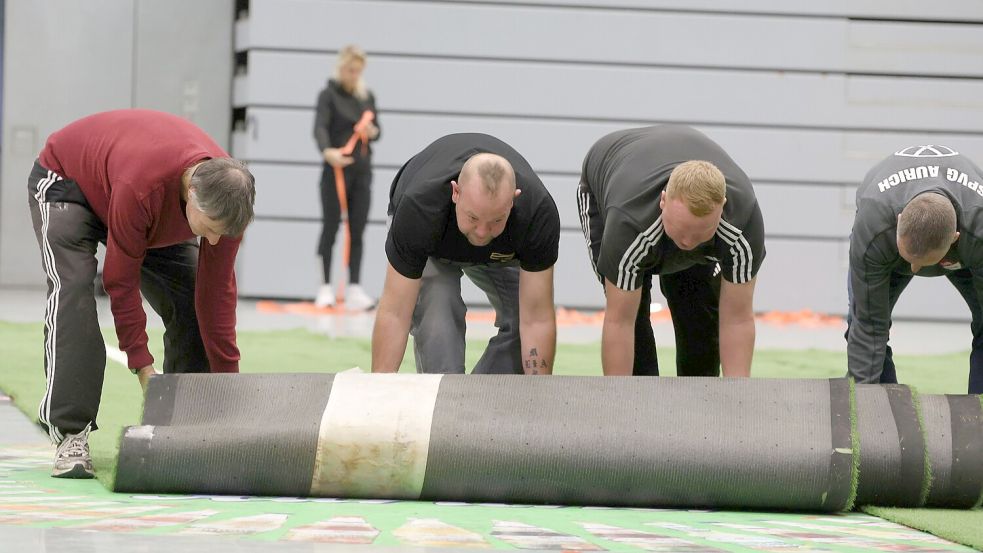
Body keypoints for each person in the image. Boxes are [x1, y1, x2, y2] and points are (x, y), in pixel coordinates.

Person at [27, 109, 256, 479]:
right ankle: (71, 432)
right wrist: (143, 366)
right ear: (193, 194)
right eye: (210, 229)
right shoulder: (144, 185)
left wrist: (227, 389)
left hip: (138, 204)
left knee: (191, 294)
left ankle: (188, 425)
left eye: (223, 234)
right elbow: (120, 280)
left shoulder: (227, 212)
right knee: (74, 292)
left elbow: (215, 297)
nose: (213, 241)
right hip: (69, 184)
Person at [578, 125, 765, 377]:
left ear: (722, 207)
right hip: (610, 176)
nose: (687, 242)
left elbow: (738, 319)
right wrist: (618, 401)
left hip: (668, 171)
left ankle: (701, 400)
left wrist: (737, 400)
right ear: (663, 201)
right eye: (681, 230)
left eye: (699, 233)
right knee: (634, 318)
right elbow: (619, 322)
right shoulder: (629, 224)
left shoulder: (742, 222)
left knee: (698, 309)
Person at [371, 133, 560, 375]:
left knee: (522, 318)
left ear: (513, 201)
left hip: (501, 252)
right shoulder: (419, 208)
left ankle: (485, 397)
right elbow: (395, 313)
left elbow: (537, 320)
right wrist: (377, 392)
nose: (482, 233)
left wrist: (536, 398)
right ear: (455, 193)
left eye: (496, 220)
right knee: (438, 306)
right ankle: (446, 397)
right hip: (433, 244)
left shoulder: (536, 214)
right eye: (473, 217)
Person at [847, 145, 983, 393]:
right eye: (908, 259)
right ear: (899, 221)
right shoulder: (874, 224)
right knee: (864, 326)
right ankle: (882, 411)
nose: (914, 269)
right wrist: (863, 406)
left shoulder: (979, 229)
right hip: (887, 245)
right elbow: (868, 328)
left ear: (954, 238)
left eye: (924, 264)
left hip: (968, 252)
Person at [312, 44, 380, 311]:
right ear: (341, 68)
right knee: (330, 227)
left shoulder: (366, 97)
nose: (353, 75)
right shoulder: (328, 95)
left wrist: (371, 130)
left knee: (358, 229)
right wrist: (328, 152)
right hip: (335, 171)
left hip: (361, 173)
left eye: (358, 70)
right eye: (350, 69)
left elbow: (378, 130)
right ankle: (325, 287)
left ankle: (354, 288)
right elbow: (319, 127)